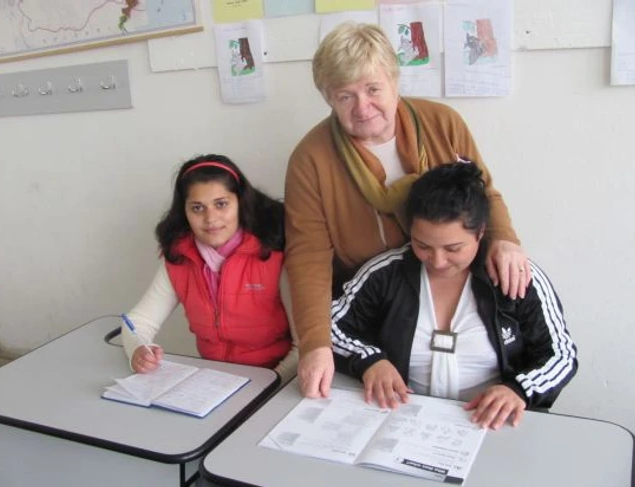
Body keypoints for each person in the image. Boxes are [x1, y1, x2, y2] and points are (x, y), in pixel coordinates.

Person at [285, 22, 532, 398]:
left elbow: (482, 193)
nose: (363, 107)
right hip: (370, 308)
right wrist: (315, 343)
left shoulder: (443, 124)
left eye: (373, 89)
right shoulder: (310, 158)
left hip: (452, 292)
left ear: (395, 81)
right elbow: (308, 257)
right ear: (328, 99)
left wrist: (504, 239)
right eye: (345, 96)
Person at [331, 162, 578, 429]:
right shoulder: (385, 273)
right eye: (422, 245)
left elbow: (560, 355)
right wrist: (370, 360)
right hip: (402, 419)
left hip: (495, 424)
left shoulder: (517, 276)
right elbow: (329, 326)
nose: (437, 261)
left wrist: (518, 389)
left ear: (480, 233)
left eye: (453, 248)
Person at [122, 154, 298, 383]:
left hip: (279, 382)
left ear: (240, 202)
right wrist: (138, 350)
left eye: (221, 204)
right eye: (197, 208)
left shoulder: (274, 253)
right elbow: (138, 322)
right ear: (184, 212)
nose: (210, 218)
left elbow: (304, 346)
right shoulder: (179, 258)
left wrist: (268, 386)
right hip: (215, 384)